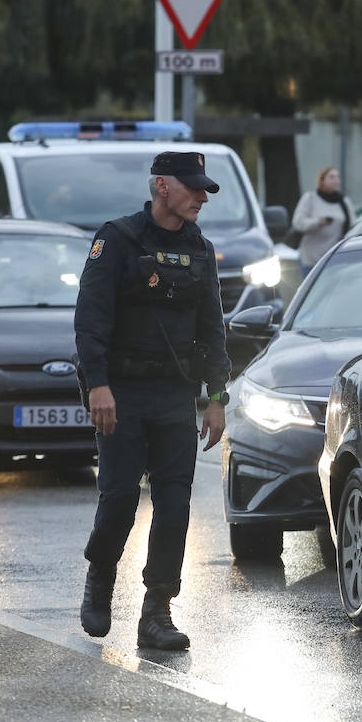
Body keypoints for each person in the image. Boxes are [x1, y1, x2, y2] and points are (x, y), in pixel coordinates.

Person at [74, 151, 231, 651]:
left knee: (174, 505)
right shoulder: (117, 239)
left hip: (173, 395)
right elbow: (91, 320)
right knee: (119, 498)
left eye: (205, 190)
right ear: (162, 186)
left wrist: (217, 397)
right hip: (120, 394)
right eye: (192, 188)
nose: (201, 197)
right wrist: (97, 384)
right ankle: (101, 577)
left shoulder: (200, 249)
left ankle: (157, 610)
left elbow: (212, 328)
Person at [291, 166, 355, 276]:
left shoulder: (344, 201)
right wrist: (318, 222)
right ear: (322, 180)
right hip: (311, 259)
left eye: (337, 177)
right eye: (331, 177)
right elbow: (298, 223)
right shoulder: (310, 198)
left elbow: (353, 225)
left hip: (334, 258)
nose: (336, 180)